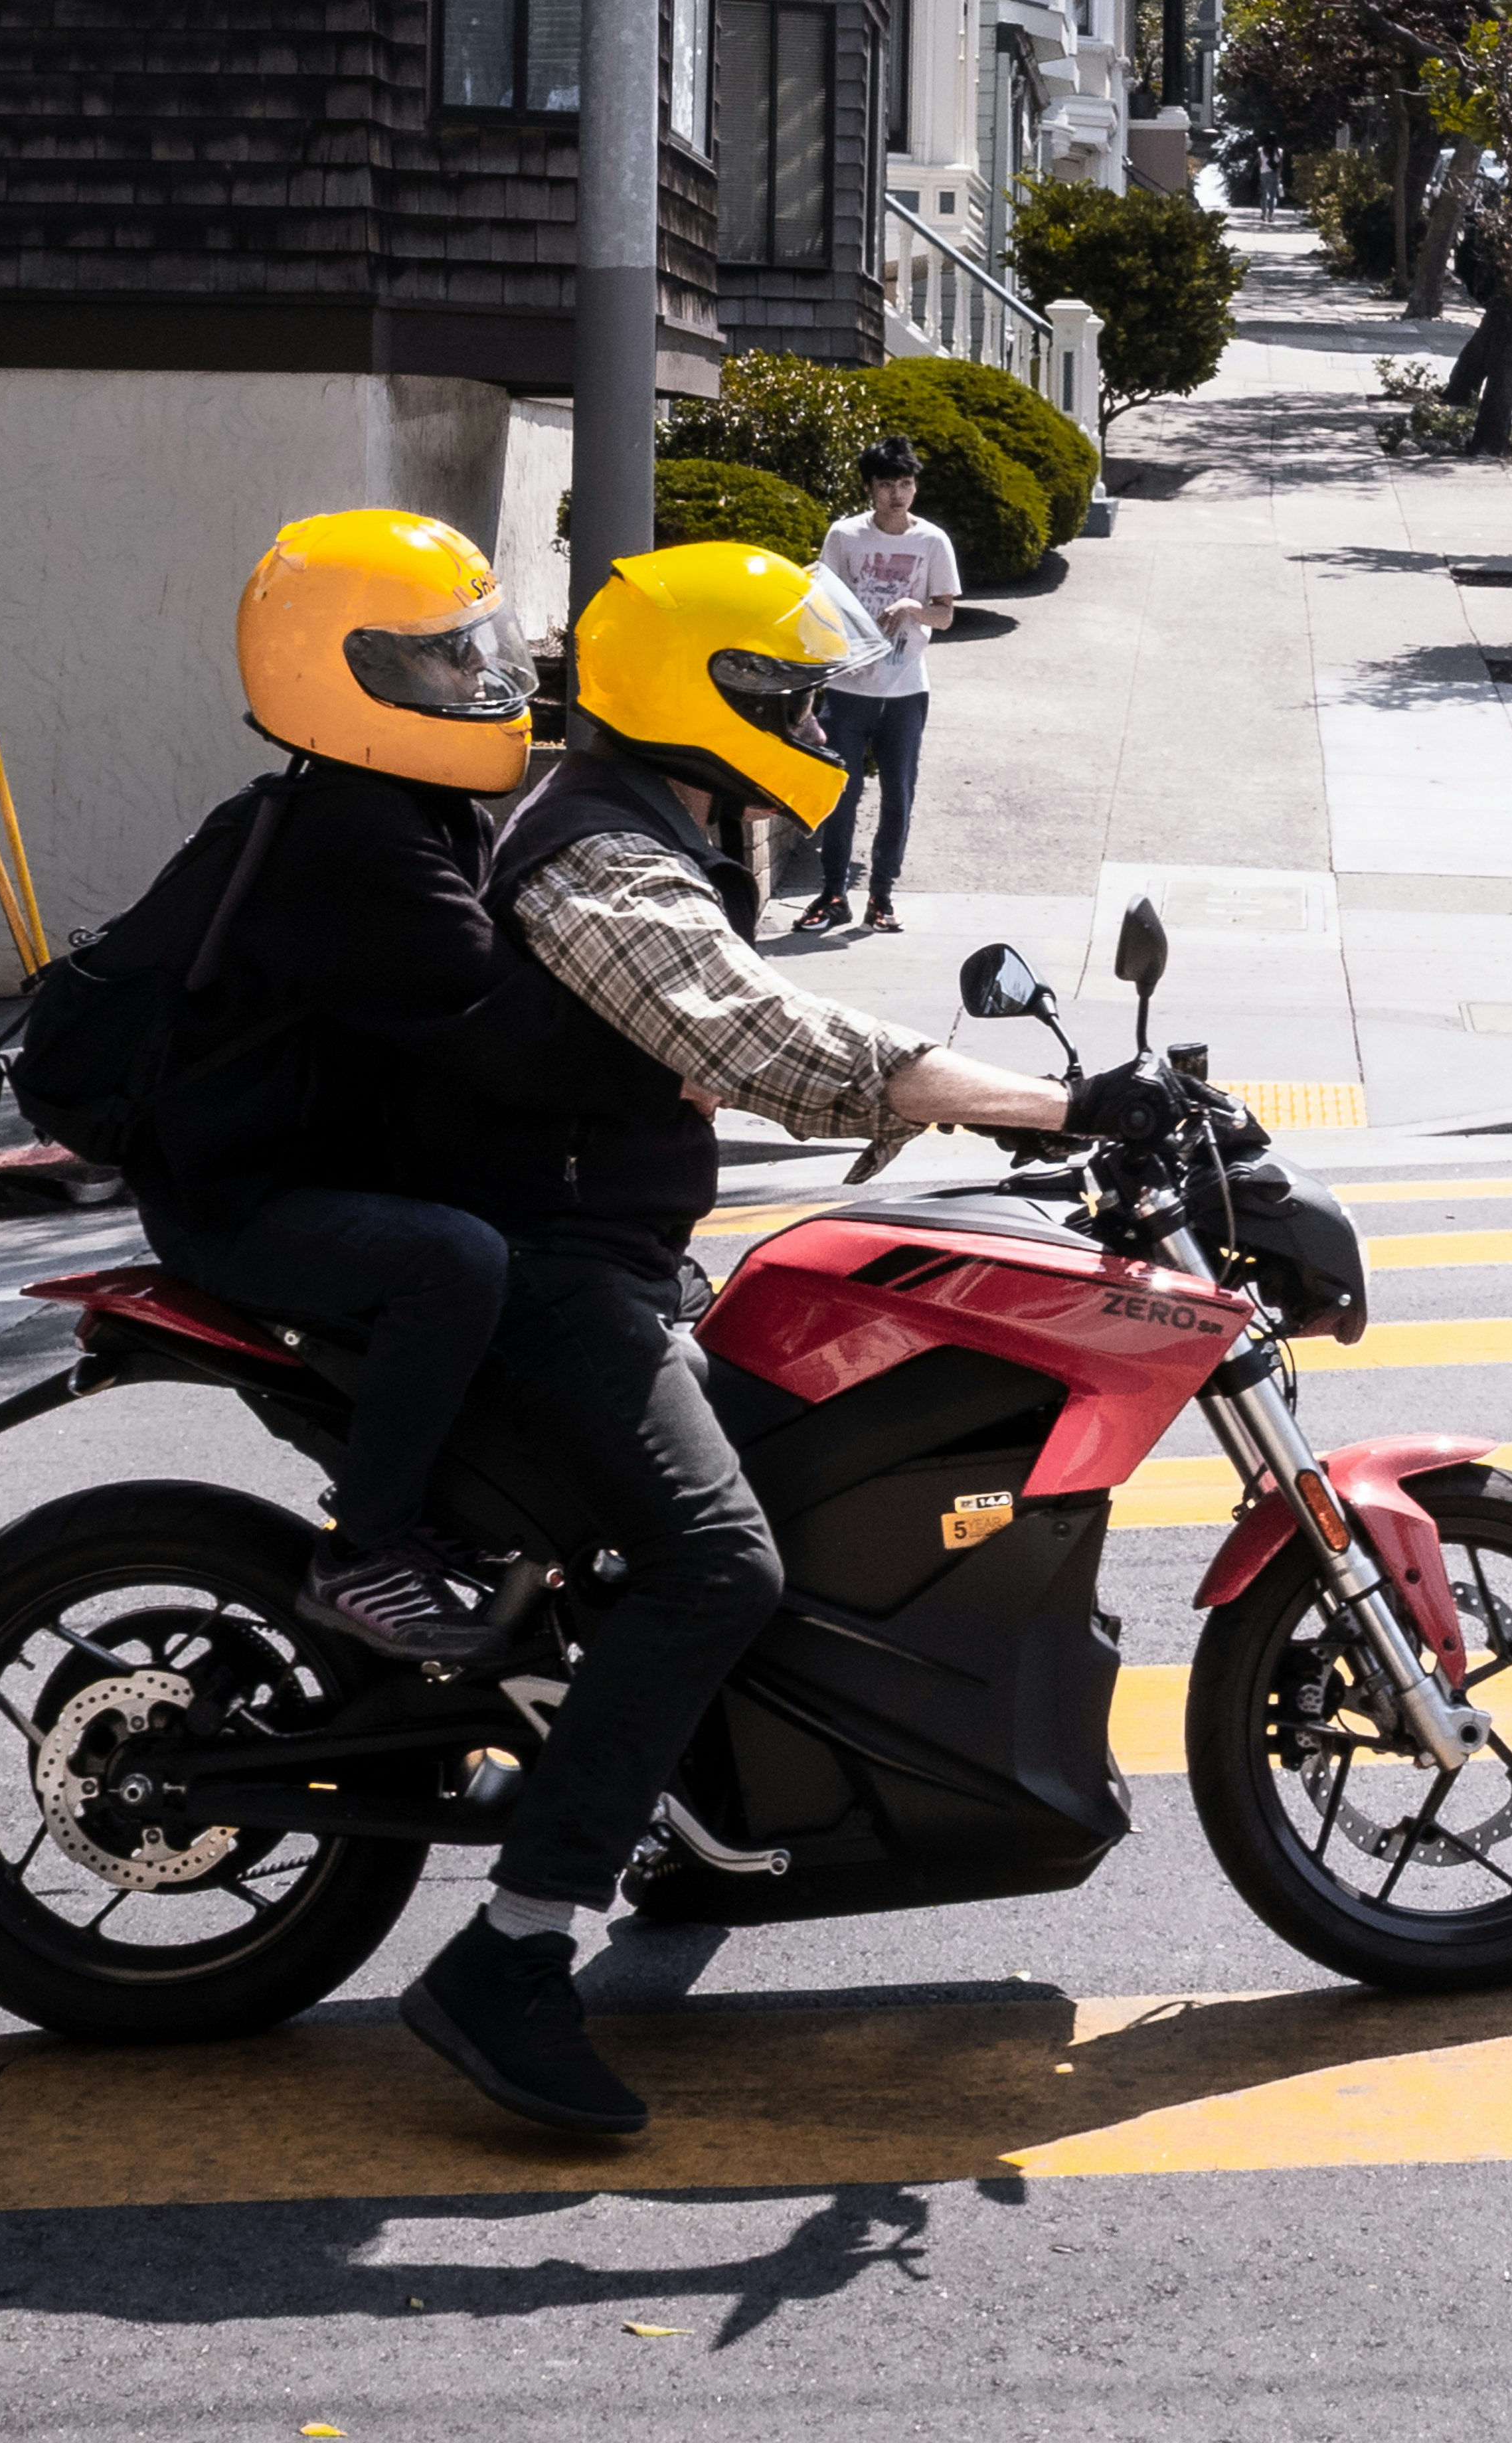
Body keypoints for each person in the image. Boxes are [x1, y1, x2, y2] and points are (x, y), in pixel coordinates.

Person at [382, 536, 1076, 2142]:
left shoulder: (654, 829)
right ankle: (511, 1952)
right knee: (716, 1562)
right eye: (784, 694)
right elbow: (754, 1036)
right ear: (698, 694)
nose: (815, 726)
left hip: (601, 1255)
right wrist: (1034, 1099)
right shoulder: (600, 862)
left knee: (787, 1451)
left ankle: (682, 1819)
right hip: (560, 1277)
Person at [125, 507, 580, 1671]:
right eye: (438, 657)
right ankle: (366, 1552)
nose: (477, 677)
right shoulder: (358, 838)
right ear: (342, 673)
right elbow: (501, 1030)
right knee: (454, 1260)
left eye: (475, 647)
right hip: (238, 1201)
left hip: (291, 1161)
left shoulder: (396, 808)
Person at [791, 439, 960, 938]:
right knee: (841, 792)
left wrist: (912, 609)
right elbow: (824, 604)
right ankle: (833, 894)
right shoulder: (845, 537)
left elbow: (946, 614)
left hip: (906, 689)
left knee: (898, 794)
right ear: (870, 488)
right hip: (848, 689)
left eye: (905, 484)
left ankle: (882, 896)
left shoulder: (932, 542)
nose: (897, 495)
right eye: (886, 485)